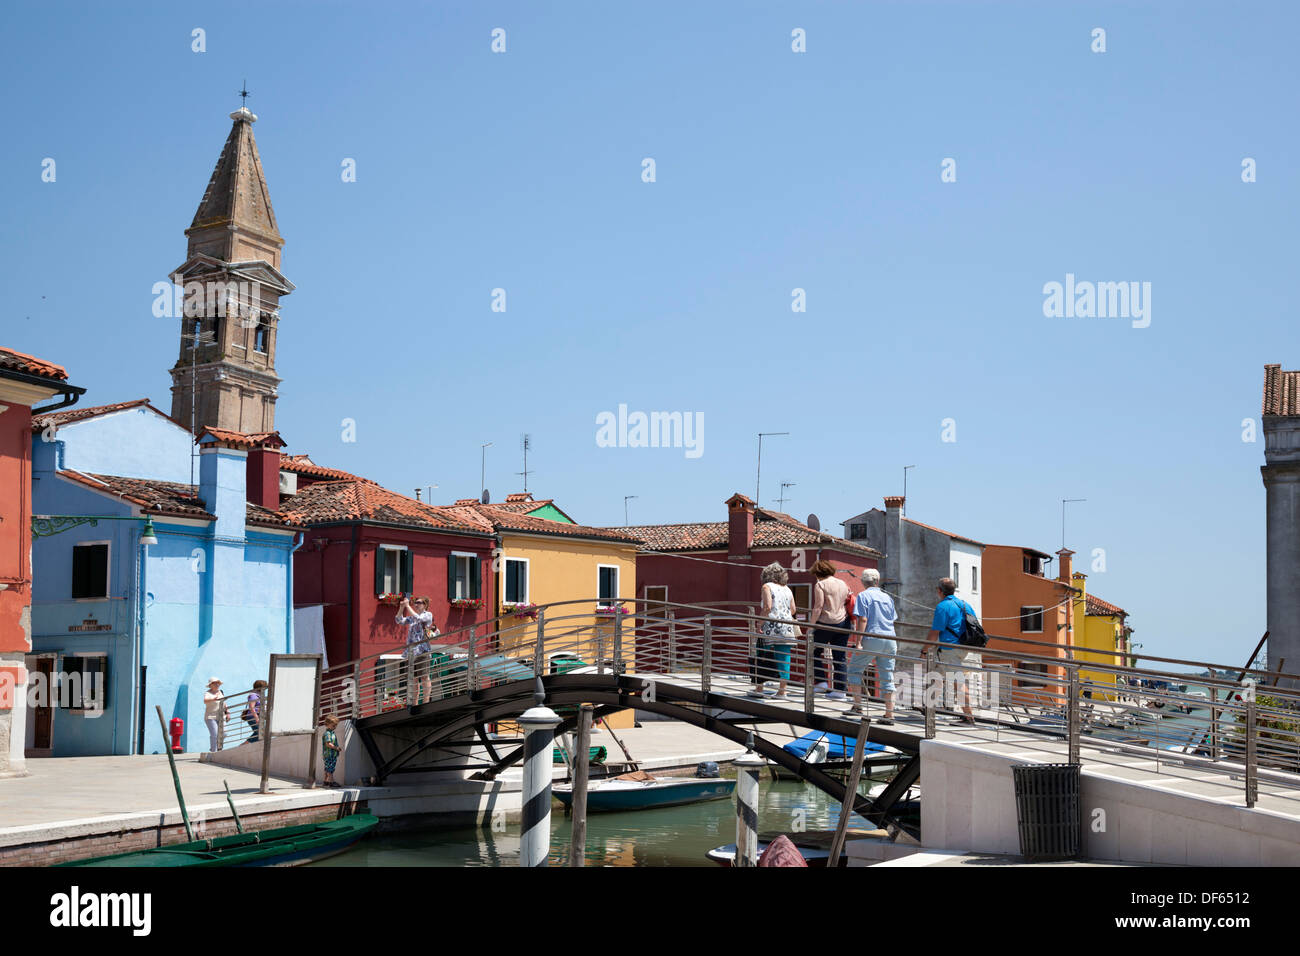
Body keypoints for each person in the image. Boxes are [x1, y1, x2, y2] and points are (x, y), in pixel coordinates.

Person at [847, 569, 897, 723]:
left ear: (863, 582)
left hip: (872, 638)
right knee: (887, 677)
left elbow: (863, 619)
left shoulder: (863, 595)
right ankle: (889, 714)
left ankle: (857, 706)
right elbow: (892, 618)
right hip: (890, 638)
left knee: (854, 670)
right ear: (878, 580)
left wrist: (858, 641)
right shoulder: (887, 597)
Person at [928, 577, 977, 723]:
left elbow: (934, 633)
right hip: (962, 647)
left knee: (958, 682)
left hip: (949, 649)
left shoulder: (943, 606)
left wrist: (924, 649)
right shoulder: (965, 604)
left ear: (939, 591)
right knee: (936, 675)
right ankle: (928, 706)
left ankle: (969, 717)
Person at [751, 562, 797, 698]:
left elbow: (767, 607)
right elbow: (793, 609)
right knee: (784, 658)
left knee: (762, 655)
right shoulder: (787, 589)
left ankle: (759, 688)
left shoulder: (767, 586)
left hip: (770, 627)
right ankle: (782, 691)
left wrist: (759, 624)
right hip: (786, 628)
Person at [809, 560, 852, 700]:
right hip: (843, 623)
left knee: (813, 651)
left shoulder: (820, 585)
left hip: (825, 623)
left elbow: (818, 607)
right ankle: (840, 691)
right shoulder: (843, 583)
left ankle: (821, 682)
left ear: (818, 573)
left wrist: (811, 627)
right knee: (839, 657)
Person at [397, 595, 437, 704]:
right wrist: (402, 607)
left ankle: (425, 701)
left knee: (424, 676)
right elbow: (399, 620)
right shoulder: (412, 618)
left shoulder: (428, 615)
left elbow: (419, 618)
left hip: (423, 650)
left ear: (425, 605)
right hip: (412, 652)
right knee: (414, 679)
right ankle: (414, 703)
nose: (416, 604)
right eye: (416, 602)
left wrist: (407, 606)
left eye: (419, 602)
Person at [203, 677, 227, 751]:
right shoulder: (208, 693)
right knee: (215, 735)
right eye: (214, 683)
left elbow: (224, 703)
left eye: (218, 683)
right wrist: (213, 699)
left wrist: (228, 712)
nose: (217, 684)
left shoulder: (220, 692)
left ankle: (219, 746)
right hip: (210, 717)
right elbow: (205, 700)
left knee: (224, 733)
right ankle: (214, 750)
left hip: (221, 716)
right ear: (210, 685)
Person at [321, 715, 342, 787]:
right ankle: (331, 781)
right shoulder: (328, 733)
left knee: (327, 767)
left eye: (336, 725)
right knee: (330, 767)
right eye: (333, 725)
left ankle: (326, 781)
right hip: (329, 754)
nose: (335, 727)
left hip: (332, 754)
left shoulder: (332, 733)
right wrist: (336, 748)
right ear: (327, 724)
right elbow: (328, 744)